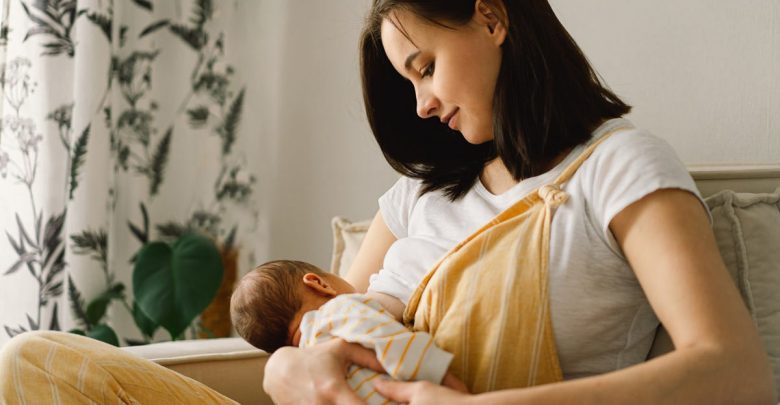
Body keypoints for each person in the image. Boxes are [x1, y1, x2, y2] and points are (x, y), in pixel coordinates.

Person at [261, 0, 777, 404]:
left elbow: (734, 370)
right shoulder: (419, 195)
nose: (422, 105)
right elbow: (338, 318)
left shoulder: (617, 167)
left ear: (491, 19)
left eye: (426, 68)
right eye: (410, 83)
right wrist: (284, 368)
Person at [229, 260, 463, 404]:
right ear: (318, 283)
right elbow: (395, 343)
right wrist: (448, 382)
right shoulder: (340, 311)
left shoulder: (308, 366)